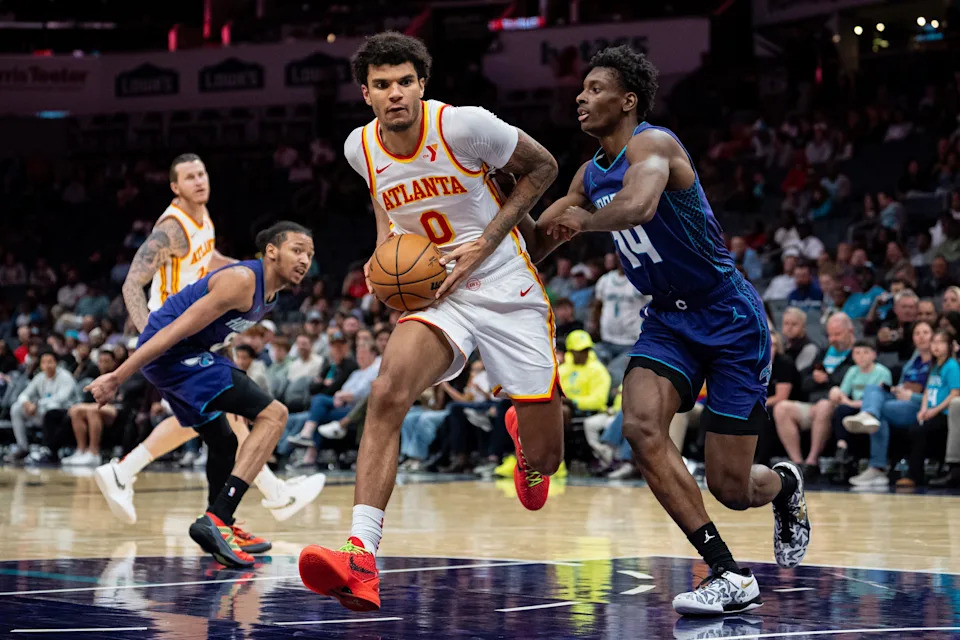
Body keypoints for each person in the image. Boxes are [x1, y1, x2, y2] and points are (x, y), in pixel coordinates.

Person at [539, 45, 810, 616]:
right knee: (639, 426)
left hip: (730, 318)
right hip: (668, 318)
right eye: (581, 89)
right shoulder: (588, 173)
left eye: (593, 88)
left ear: (627, 100)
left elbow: (638, 206)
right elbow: (545, 232)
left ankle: (783, 485)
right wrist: (486, 243)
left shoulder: (655, 145)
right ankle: (727, 571)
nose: (581, 98)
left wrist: (582, 223)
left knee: (732, 490)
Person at [298, 31, 562, 612]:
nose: (395, 94)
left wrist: (487, 242)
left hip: (505, 286)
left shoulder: (465, 126)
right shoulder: (356, 148)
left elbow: (543, 167)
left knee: (548, 458)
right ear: (365, 93)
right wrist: (379, 255)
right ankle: (361, 556)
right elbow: (383, 202)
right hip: (437, 292)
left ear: (422, 84)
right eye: (382, 85)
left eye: (405, 82)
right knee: (387, 391)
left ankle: (525, 440)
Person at [96, 154, 325, 527]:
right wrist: (149, 333)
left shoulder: (203, 220)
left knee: (221, 420)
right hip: (173, 330)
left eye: (202, 173)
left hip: (199, 329)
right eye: (189, 177)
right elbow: (131, 282)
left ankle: (130, 475)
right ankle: (269, 496)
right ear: (175, 187)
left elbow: (210, 259)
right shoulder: (172, 227)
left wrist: (251, 276)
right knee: (233, 414)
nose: (199, 181)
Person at [86, 222, 313, 567]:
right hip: (171, 355)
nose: (304, 260)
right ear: (271, 251)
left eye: (310, 254)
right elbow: (174, 329)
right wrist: (118, 375)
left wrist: (232, 380)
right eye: (297, 250)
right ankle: (219, 518)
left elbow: (218, 336)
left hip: (184, 358)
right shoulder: (242, 281)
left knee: (224, 441)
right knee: (275, 414)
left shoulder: (269, 296)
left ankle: (223, 527)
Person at [7, 350, 76, 462]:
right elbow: (24, 394)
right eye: (44, 362)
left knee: (50, 410)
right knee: (16, 408)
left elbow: (61, 398)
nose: (47, 365)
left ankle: (48, 450)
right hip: (43, 412)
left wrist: (37, 404)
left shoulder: (66, 377)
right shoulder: (40, 377)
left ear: (56, 363)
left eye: (50, 362)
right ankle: (23, 447)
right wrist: (27, 403)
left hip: (64, 414)